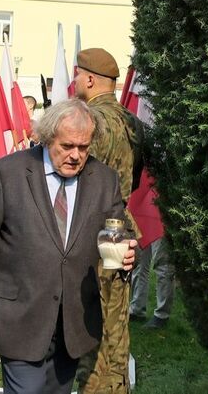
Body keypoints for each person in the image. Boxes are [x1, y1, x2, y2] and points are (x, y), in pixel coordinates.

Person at [0, 99, 136, 394]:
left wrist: (129, 253)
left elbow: (121, 231)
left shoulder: (104, 180)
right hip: (20, 316)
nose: (76, 156)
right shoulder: (9, 173)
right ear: (48, 138)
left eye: (84, 147)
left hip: (74, 322)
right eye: (67, 146)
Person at [71, 48, 140, 394]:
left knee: (91, 329)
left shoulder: (89, 121)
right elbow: (134, 180)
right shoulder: (131, 122)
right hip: (122, 231)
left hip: (92, 233)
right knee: (117, 326)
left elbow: (78, 181)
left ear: (88, 78)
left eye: (76, 75)